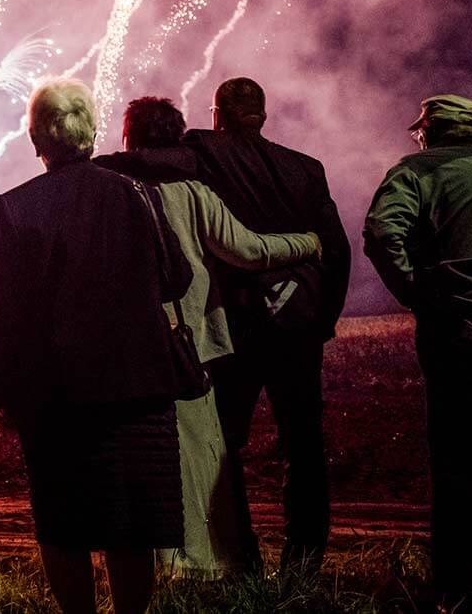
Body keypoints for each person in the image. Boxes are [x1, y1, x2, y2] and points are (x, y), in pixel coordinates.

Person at [0, 79, 191, 614]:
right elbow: (177, 278)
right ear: (92, 134)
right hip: (137, 385)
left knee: (64, 521)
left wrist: (4, 394)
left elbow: (7, 312)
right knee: (132, 523)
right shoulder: (135, 193)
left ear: (36, 140)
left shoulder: (14, 207)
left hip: (54, 392)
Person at [96, 97, 322, 579]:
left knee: (139, 458)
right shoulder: (195, 192)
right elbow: (249, 250)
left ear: (128, 137)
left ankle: (152, 563)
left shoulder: (110, 190)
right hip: (191, 341)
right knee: (201, 453)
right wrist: (307, 241)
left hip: (129, 344)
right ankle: (209, 562)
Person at [181, 77, 350, 574]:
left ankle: (241, 556)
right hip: (297, 326)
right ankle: (304, 560)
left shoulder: (202, 151)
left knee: (225, 443)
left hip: (235, 323)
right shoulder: (305, 168)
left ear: (217, 116)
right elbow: (334, 249)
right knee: (302, 442)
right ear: (264, 116)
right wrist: (323, 318)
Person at [363, 94, 472, 610]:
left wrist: (417, 293)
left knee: (460, 470)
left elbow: (382, 232)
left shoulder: (414, 172)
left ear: (429, 132)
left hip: (463, 339)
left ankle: (464, 593)